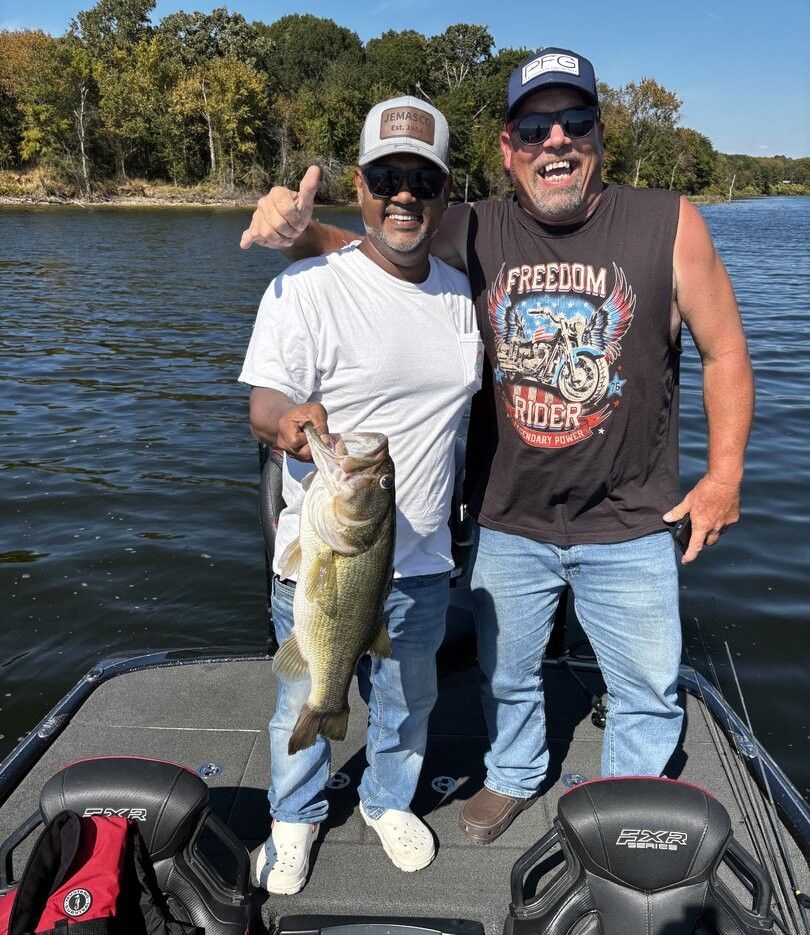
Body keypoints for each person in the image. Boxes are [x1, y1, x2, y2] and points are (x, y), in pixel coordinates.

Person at [240, 48, 754, 845]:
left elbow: (726, 349)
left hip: (633, 518)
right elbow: (384, 246)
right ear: (509, 148)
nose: (556, 141)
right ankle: (513, 774)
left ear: (598, 135)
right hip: (509, 516)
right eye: (534, 127)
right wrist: (298, 233)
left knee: (649, 689)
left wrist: (724, 475)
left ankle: (626, 809)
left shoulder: (669, 220)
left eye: (574, 122)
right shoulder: (474, 225)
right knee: (506, 677)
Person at [238, 96, 482, 893]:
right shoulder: (306, 288)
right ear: (361, 183)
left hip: (422, 560)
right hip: (324, 559)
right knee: (299, 699)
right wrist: (291, 424)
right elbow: (264, 406)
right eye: (387, 177)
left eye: (423, 179)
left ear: (444, 194)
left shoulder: (460, 297)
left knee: (411, 699)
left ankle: (385, 799)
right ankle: (295, 816)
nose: (404, 193)